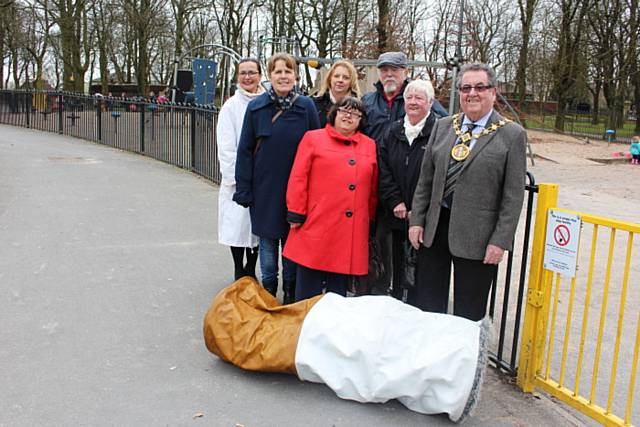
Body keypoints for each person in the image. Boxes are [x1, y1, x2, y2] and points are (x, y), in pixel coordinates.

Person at [408, 62, 527, 321]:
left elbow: (513, 196)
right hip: (435, 229)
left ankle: (467, 361)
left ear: (493, 92)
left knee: (468, 313)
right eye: (465, 87)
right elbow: (425, 180)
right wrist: (417, 220)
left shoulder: (511, 134)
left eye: (479, 87)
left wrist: (500, 241)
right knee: (428, 306)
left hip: (478, 238)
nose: (472, 93)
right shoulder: (443, 126)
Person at [233, 52, 321, 304]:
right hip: (265, 189)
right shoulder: (256, 107)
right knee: (268, 245)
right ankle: (270, 291)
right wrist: (244, 189)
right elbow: (245, 151)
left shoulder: (306, 107)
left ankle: (291, 294)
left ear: (295, 75)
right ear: (270, 76)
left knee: (293, 245)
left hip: (297, 189)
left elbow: (318, 149)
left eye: (288, 71)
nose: (283, 76)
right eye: (278, 71)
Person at [283, 97, 377, 300]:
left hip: (349, 231)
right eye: (343, 110)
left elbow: (373, 186)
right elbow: (298, 176)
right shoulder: (313, 138)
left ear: (361, 121)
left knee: (337, 295)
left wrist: (369, 218)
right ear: (334, 114)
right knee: (308, 289)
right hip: (316, 224)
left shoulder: (369, 146)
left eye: (355, 114)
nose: (348, 116)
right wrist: (296, 211)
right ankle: (304, 327)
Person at [377, 79, 437, 304]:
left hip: (424, 217)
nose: (413, 102)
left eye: (419, 98)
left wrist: (418, 210)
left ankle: (416, 307)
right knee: (396, 265)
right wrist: (395, 202)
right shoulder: (392, 132)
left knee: (421, 271)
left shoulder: (438, 131)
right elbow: (383, 169)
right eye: (409, 98)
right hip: (395, 213)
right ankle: (396, 300)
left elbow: (437, 175)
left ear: (430, 103)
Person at [216, 58, 264, 281]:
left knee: (256, 228)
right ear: (237, 77)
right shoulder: (230, 107)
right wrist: (237, 177)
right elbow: (226, 146)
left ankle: (251, 269)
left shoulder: (265, 102)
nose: (247, 77)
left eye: (252, 72)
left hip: (261, 177)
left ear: (260, 75)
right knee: (237, 226)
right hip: (238, 178)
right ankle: (238, 268)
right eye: (243, 73)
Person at [313, 60, 361, 127]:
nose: (340, 80)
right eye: (336, 76)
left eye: (346, 77)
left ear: (351, 82)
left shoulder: (360, 107)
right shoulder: (314, 104)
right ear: (330, 79)